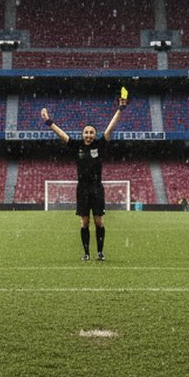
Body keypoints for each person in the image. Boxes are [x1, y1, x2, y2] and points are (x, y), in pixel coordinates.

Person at [41, 94, 125, 261]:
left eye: (91, 132)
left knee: (98, 221)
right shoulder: (76, 146)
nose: (88, 135)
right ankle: (86, 253)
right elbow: (62, 135)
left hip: (96, 189)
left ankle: (100, 253)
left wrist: (120, 109)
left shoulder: (100, 145)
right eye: (86, 132)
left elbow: (110, 127)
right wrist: (48, 121)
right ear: (82, 134)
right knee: (84, 222)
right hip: (82, 189)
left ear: (95, 134)